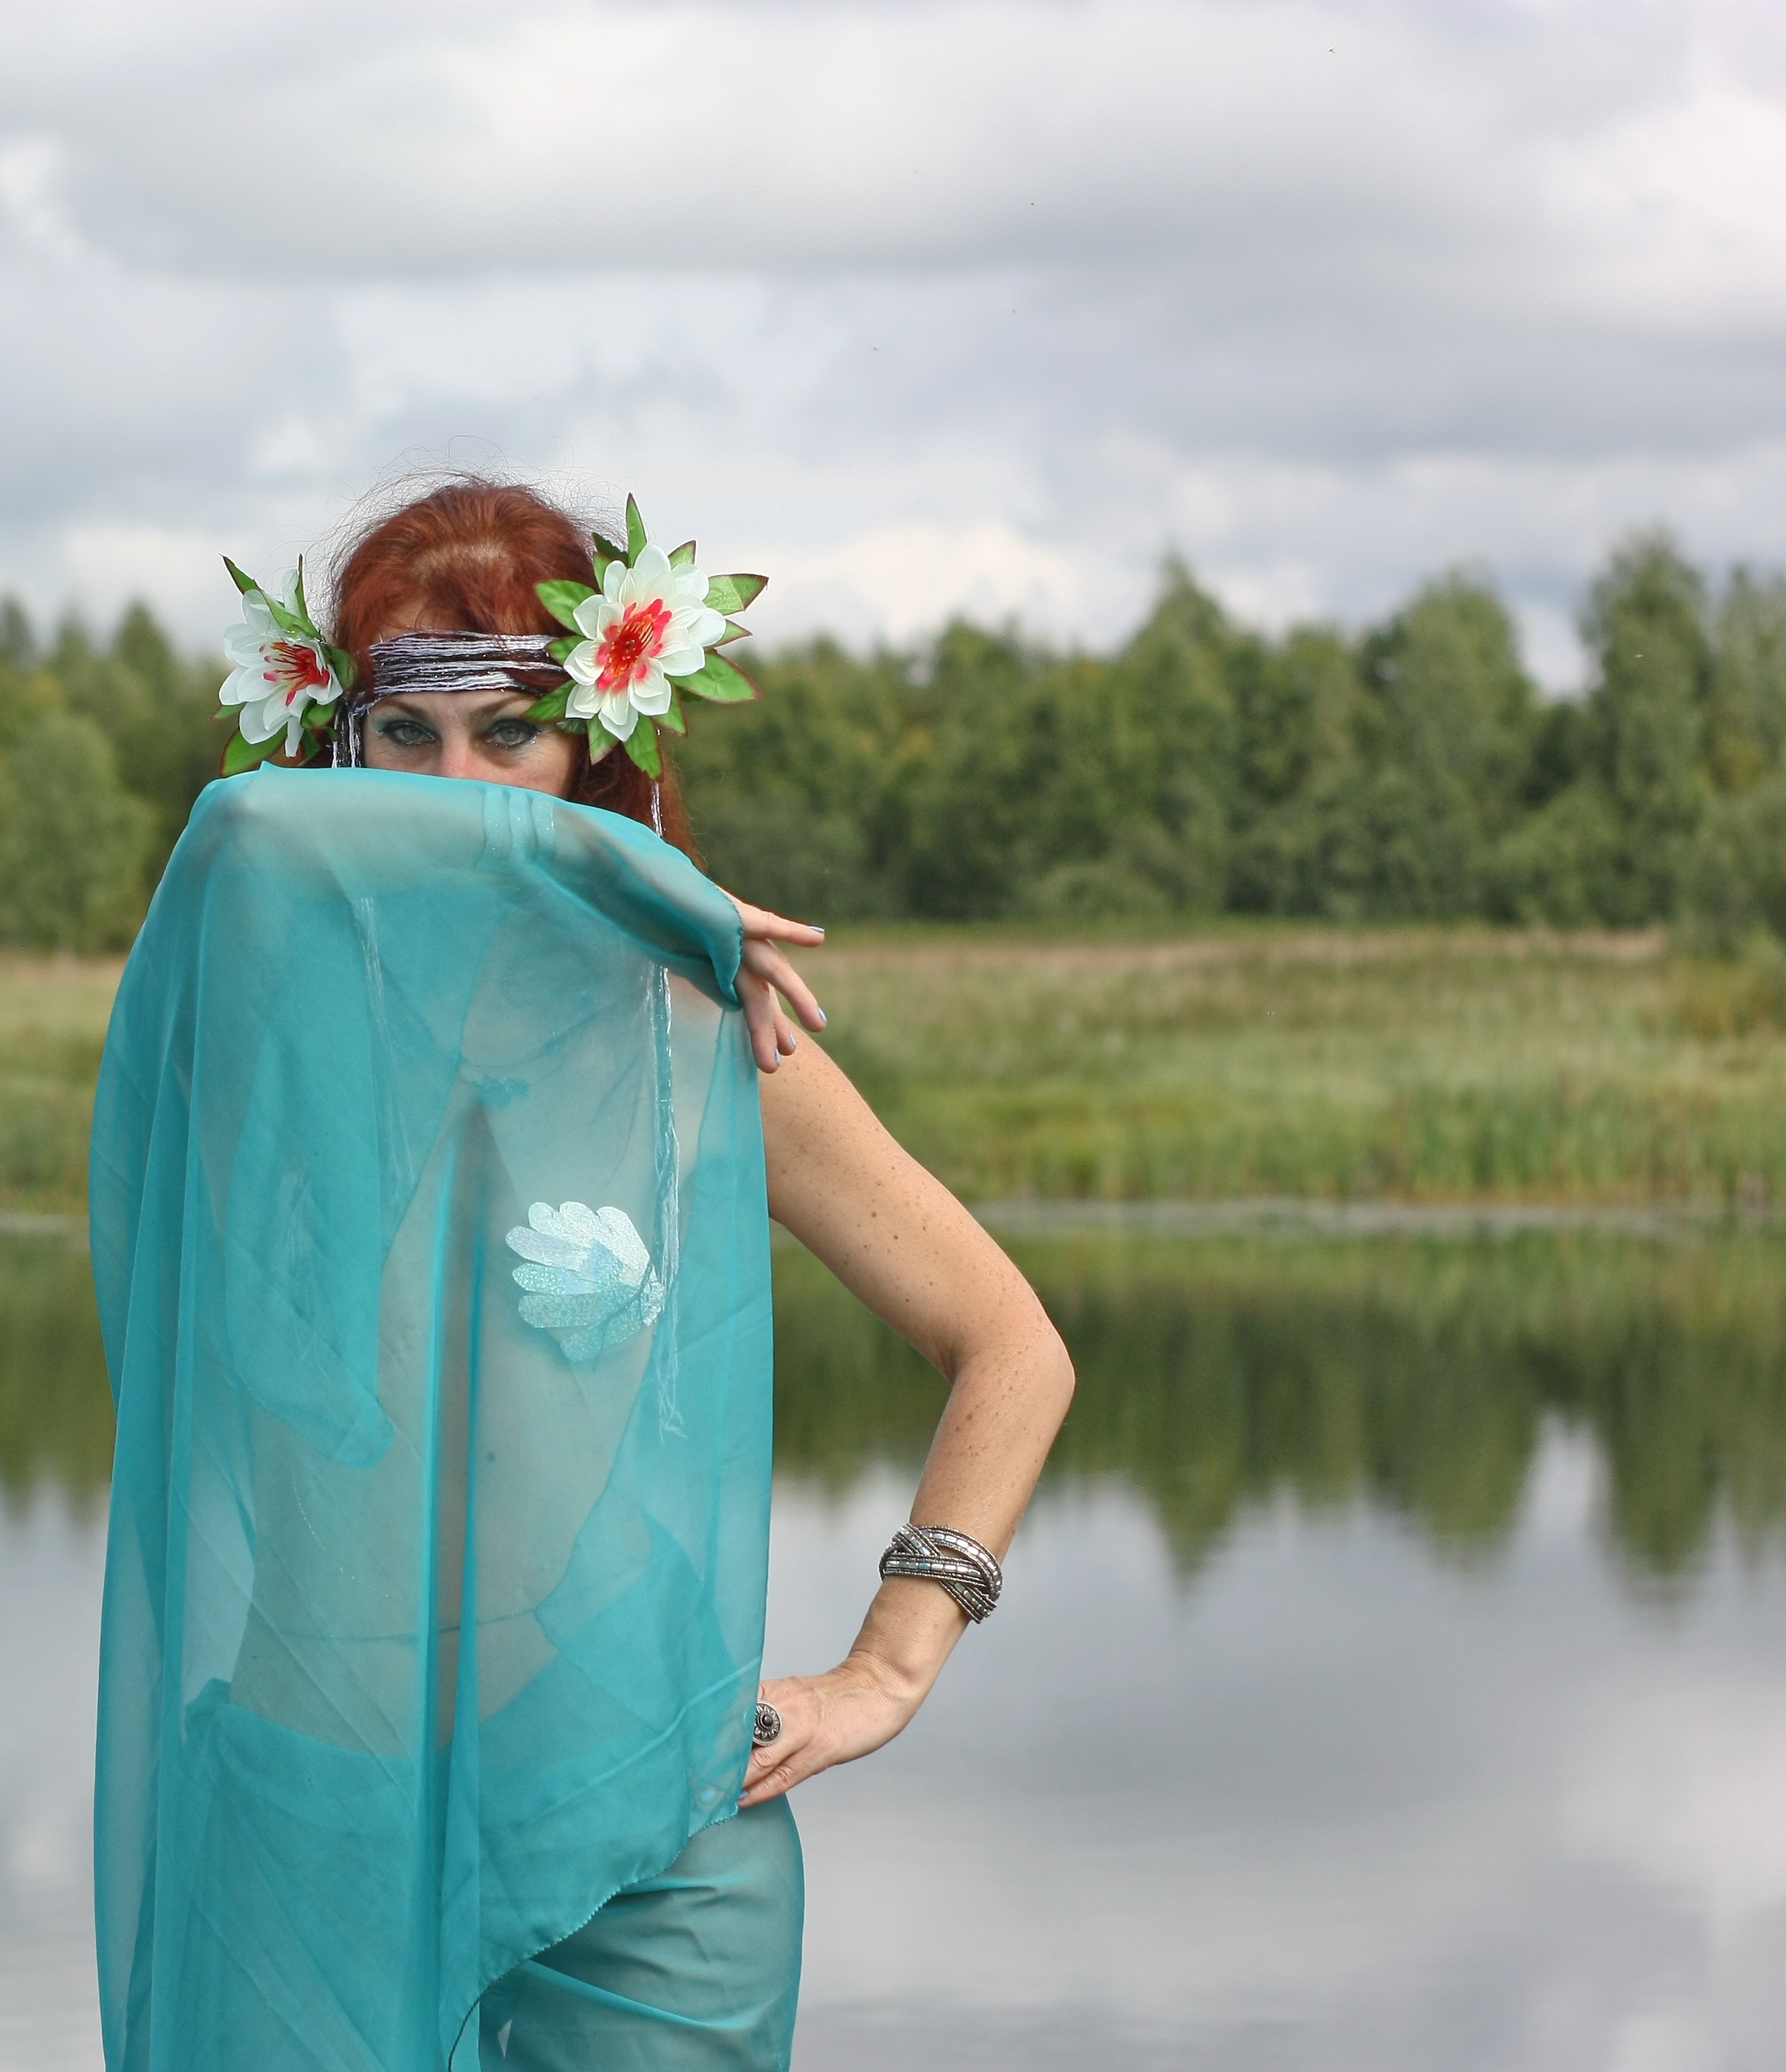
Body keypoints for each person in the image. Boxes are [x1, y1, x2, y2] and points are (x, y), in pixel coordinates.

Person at [90, 479, 1075, 2071]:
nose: (456, 786)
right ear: (337, 746)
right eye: (404, 737)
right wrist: (607, 867)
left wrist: (888, 1670)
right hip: (307, 1799)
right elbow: (239, 835)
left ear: (593, 748)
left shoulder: (701, 1035)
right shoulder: (265, 1010)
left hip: (642, 1823)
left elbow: (1012, 1346)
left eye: (511, 737)